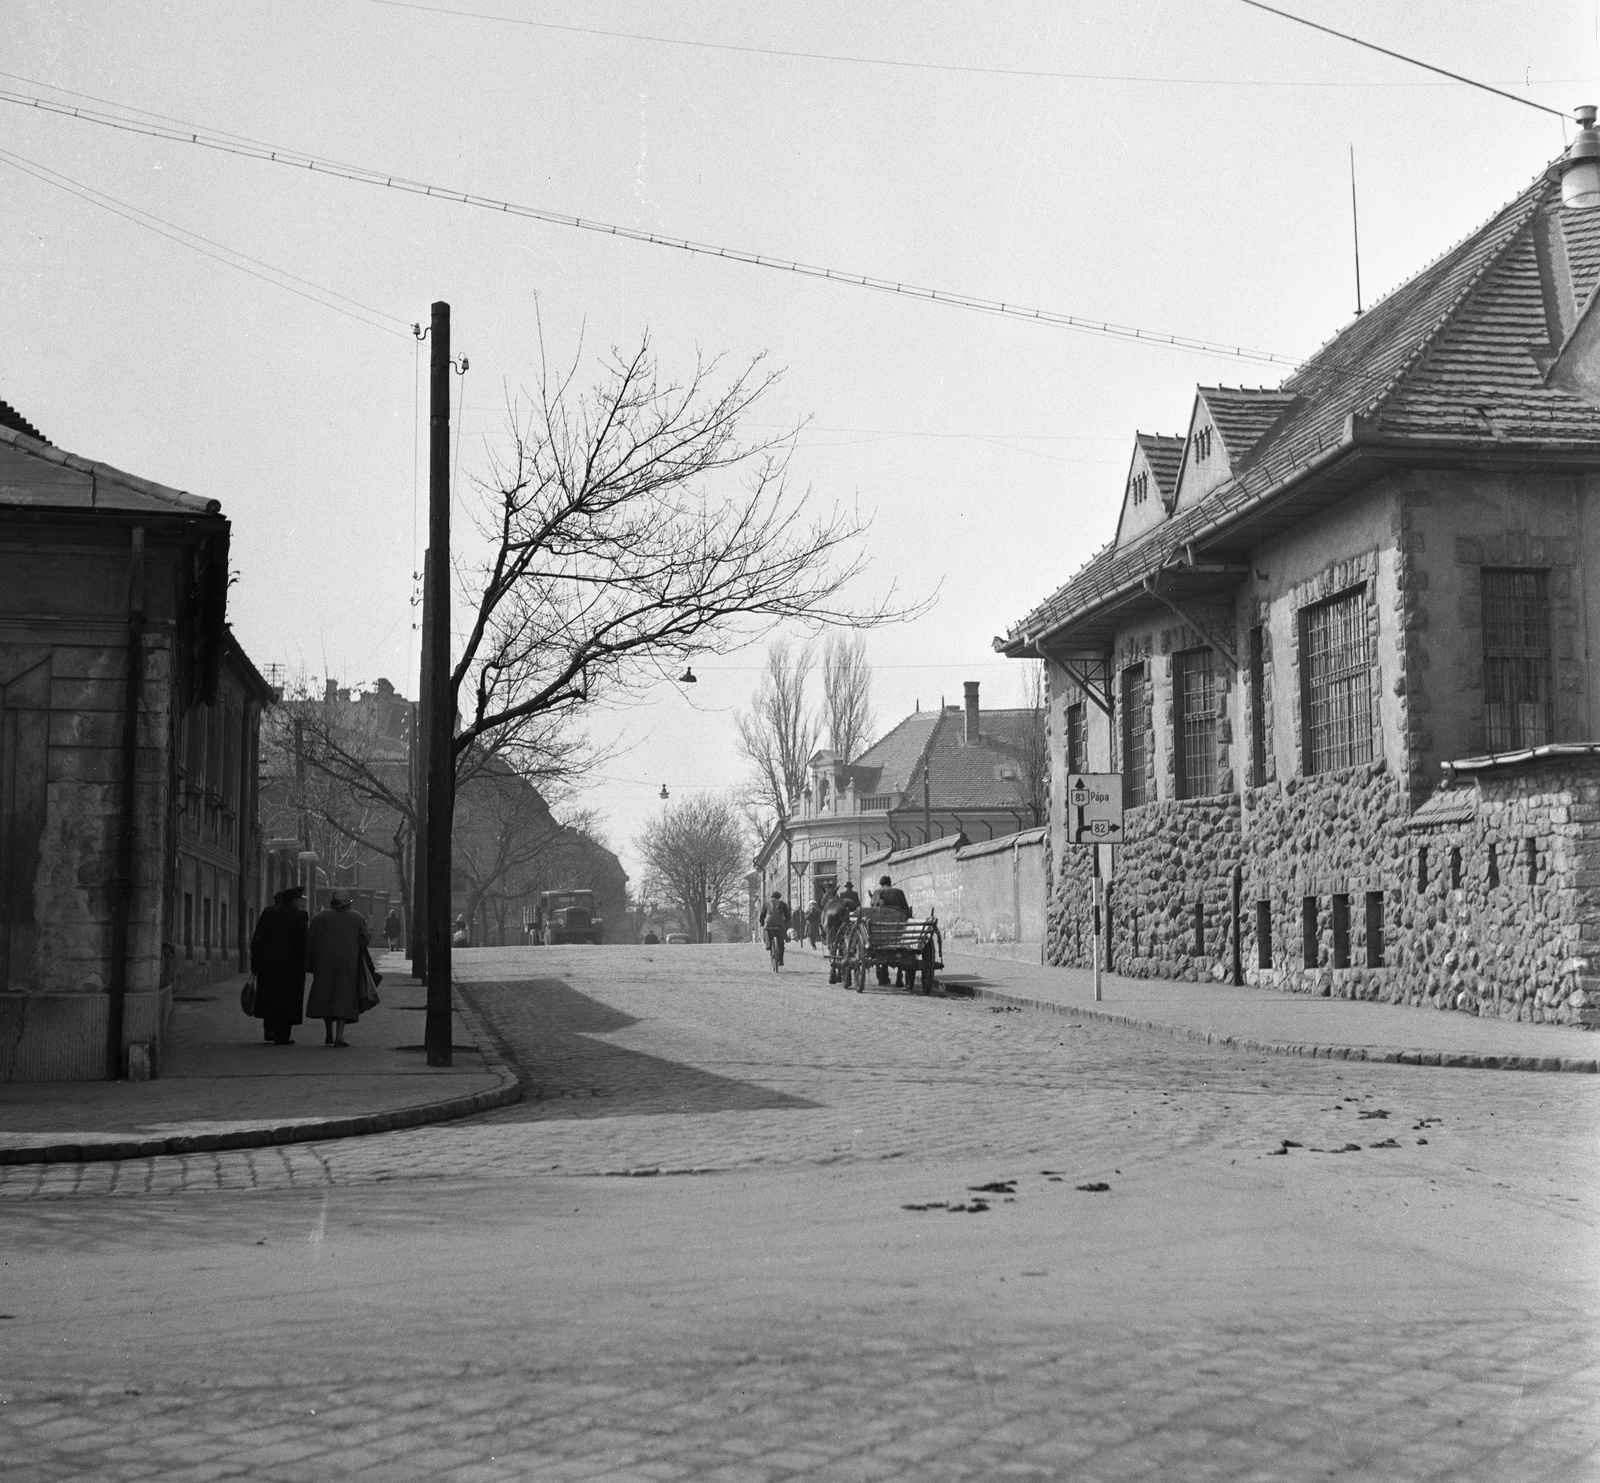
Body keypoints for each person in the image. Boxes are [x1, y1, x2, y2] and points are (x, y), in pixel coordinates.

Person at [305, 889, 371, 1047]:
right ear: (348, 903)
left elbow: (310, 941)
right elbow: (366, 938)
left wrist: (310, 963)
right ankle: (339, 1037)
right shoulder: (357, 917)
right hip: (347, 964)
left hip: (324, 963)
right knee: (343, 997)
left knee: (327, 996)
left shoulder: (320, 917)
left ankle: (329, 1033)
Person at [249, 886, 308, 1045]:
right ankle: (283, 1035)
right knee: (287, 999)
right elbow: (303, 943)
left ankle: (269, 1029)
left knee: (269, 995)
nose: (301, 904)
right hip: (291, 964)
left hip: (268, 962)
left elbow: (257, 940)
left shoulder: (268, 914)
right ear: (294, 900)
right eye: (299, 900)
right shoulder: (300, 917)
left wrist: (255, 963)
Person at [872, 873, 913, 986]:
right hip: (898, 932)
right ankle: (899, 976)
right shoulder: (899, 892)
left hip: (880, 933)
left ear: (881, 884)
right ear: (890, 884)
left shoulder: (877, 892)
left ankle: (883, 975)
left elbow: (872, 909)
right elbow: (906, 909)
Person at [759, 890, 791, 967]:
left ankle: (769, 944)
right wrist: (785, 921)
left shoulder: (767, 903)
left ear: (772, 896)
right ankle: (781, 960)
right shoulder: (782, 903)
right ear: (779, 897)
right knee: (781, 942)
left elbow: (762, 915)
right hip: (779, 923)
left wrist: (762, 923)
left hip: (769, 922)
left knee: (768, 931)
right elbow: (788, 916)